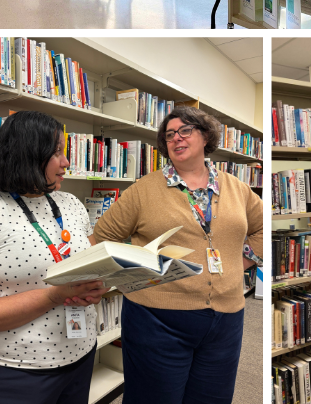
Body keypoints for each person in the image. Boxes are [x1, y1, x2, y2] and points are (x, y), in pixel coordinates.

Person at [91, 106, 263, 404]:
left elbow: (261, 227)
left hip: (226, 320)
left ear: (206, 136)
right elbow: (101, 239)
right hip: (157, 320)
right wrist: (128, 277)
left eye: (185, 130)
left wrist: (241, 262)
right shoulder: (142, 191)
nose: (176, 138)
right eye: (169, 134)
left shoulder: (238, 188)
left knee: (212, 397)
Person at [0, 111, 109, 404]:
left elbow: (94, 263)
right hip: (18, 372)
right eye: (57, 152)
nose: (67, 162)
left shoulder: (70, 203)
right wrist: (53, 296)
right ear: (28, 153)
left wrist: (99, 285)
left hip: (81, 355)